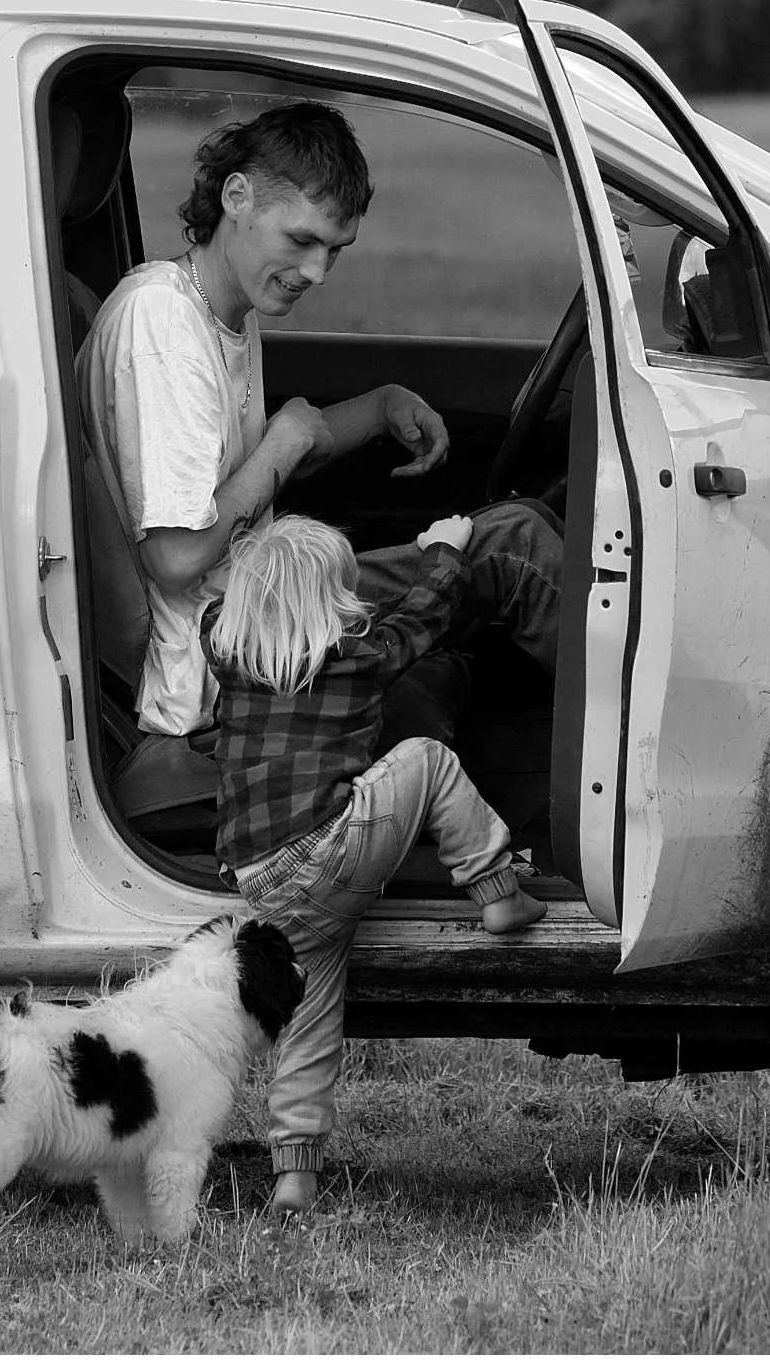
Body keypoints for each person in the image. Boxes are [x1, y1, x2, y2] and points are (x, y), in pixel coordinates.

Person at [76, 100, 562, 783]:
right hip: (223, 657)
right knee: (514, 551)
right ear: (237, 195)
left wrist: (381, 407)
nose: (318, 272)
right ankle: (649, 759)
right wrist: (278, 448)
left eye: (334, 249)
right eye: (301, 240)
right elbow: (178, 557)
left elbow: (261, 458)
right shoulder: (161, 325)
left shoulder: (220, 311)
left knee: (508, 542)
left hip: (259, 610)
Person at [204, 512, 546, 1219]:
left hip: (261, 882)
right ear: (335, 606)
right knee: (428, 758)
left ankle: (293, 1175)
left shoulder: (226, 648)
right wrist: (444, 550)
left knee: (309, 1025)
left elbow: (221, 609)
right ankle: (497, 887)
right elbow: (425, 616)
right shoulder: (359, 655)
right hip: (327, 855)